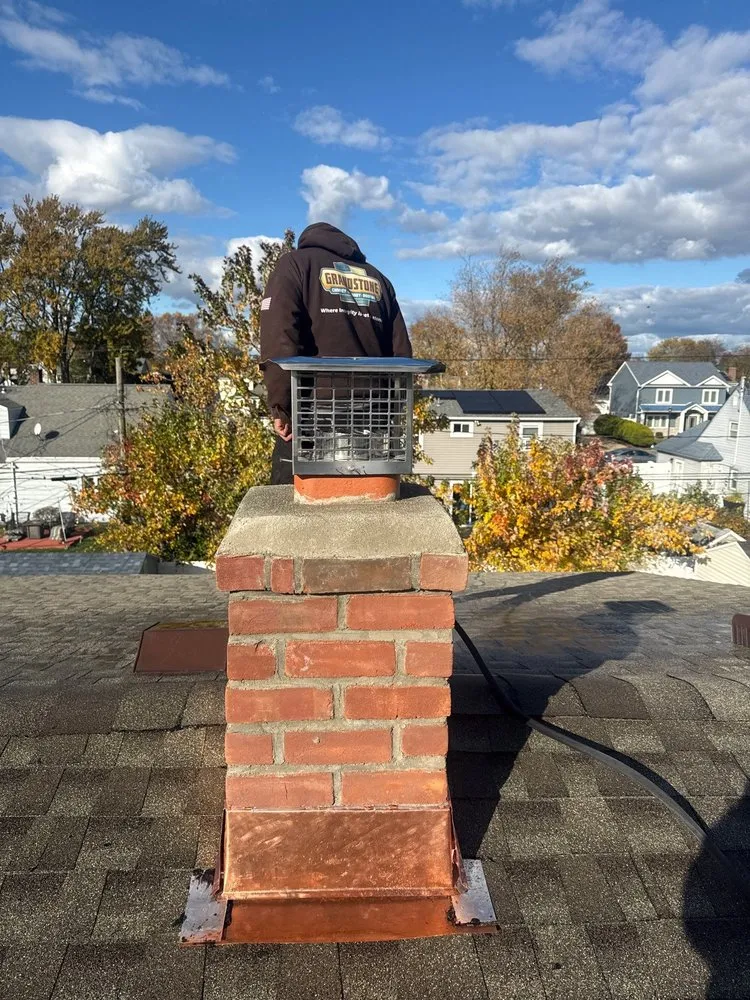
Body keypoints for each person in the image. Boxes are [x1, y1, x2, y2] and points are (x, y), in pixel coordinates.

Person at [260, 222, 412, 484]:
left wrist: (282, 408)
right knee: (366, 502)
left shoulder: (295, 265)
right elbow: (401, 355)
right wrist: (392, 415)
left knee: (295, 502)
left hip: (310, 421)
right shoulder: (378, 279)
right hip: (373, 421)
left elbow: (279, 340)